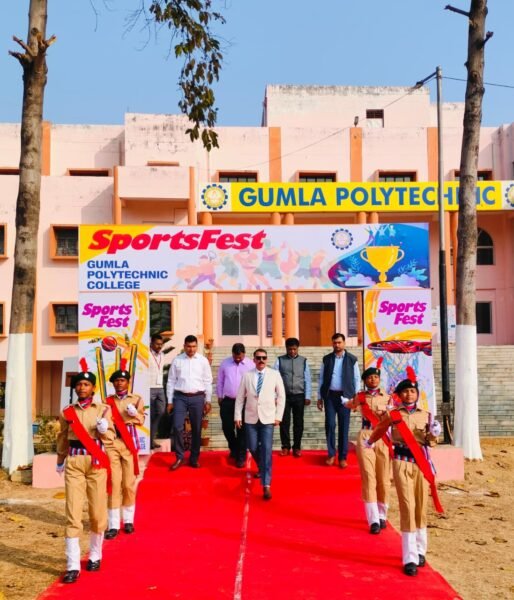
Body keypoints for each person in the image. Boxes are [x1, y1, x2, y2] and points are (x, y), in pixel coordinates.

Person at [367, 370, 441, 577]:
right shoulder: (393, 414)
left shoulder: (427, 415)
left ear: (417, 394)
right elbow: (380, 429)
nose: (409, 394)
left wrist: (434, 434)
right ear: (399, 395)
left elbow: (431, 442)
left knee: (421, 506)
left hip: (421, 464)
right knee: (407, 506)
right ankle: (409, 557)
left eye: (412, 391)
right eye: (405, 392)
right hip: (401, 462)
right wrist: (369, 442)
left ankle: (420, 550)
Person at [56, 360, 115, 584]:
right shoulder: (67, 412)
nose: (82, 388)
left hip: (96, 463)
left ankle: (95, 555)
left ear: (93, 388)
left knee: (97, 513)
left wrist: (104, 430)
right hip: (74, 462)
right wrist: (60, 460)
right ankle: (72, 565)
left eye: (86, 385)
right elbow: (62, 436)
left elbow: (110, 438)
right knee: (72, 513)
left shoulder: (103, 409)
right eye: (79, 384)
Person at [344, 360, 391, 534]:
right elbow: (351, 404)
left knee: (383, 478)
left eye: (375, 377)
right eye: (369, 377)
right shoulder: (361, 396)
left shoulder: (388, 397)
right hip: (366, 436)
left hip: (383, 437)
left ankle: (382, 514)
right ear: (365, 380)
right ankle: (373, 520)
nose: (373, 380)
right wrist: (345, 402)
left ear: (379, 379)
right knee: (369, 477)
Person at [235, 348, 285, 500]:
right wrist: (237, 415)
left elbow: (281, 396)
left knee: (267, 449)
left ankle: (266, 484)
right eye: (258, 358)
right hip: (250, 417)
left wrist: (278, 416)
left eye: (264, 358)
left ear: (267, 359)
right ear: (254, 360)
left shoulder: (274, 374)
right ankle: (263, 466)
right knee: (252, 446)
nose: (261, 360)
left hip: (268, 418)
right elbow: (240, 397)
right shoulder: (247, 375)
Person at [104, 361, 145, 540]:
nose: (119, 383)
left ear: (128, 382)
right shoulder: (107, 402)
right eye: (116, 381)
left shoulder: (136, 399)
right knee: (113, 483)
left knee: (128, 484)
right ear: (113, 383)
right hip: (112, 442)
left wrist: (134, 414)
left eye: (122, 380)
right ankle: (113, 524)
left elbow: (141, 420)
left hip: (129, 443)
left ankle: (128, 520)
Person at [166, 334, 213, 470]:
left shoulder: (203, 361)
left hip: (198, 398)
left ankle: (194, 458)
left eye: (193, 346)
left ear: (197, 346)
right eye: (188, 346)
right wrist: (170, 401)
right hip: (180, 397)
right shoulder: (177, 360)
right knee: (177, 426)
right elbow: (171, 381)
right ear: (184, 346)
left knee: (197, 428)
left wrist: (208, 400)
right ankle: (179, 457)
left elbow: (208, 381)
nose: (191, 349)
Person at [318, 333, 360, 468]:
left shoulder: (352, 359)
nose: (337, 345)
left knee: (344, 426)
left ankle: (342, 457)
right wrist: (319, 397)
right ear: (332, 343)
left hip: (346, 397)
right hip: (330, 396)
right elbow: (321, 379)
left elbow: (357, 379)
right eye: (335, 342)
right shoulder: (326, 359)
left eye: (339, 342)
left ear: (344, 343)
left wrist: (356, 399)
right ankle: (331, 454)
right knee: (330, 424)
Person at [216, 343, 253, 467]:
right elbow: (220, 380)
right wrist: (220, 395)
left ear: (244, 354)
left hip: (244, 402)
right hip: (228, 401)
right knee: (227, 427)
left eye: (240, 357)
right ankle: (234, 448)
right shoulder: (225, 363)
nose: (237, 359)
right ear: (232, 353)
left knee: (242, 430)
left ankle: (241, 456)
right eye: (235, 356)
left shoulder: (250, 365)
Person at [273, 337, 312, 457]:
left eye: (294, 349)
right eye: (290, 349)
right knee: (284, 422)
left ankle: (297, 447)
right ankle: (285, 446)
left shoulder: (304, 361)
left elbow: (307, 379)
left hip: (299, 396)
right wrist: (275, 396)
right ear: (286, 348)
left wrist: (307, 395)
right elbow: (274, 379)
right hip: (284, 396)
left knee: (298, 423)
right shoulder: (279, 360)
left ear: (298, 348)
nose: (292, 351)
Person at [148, 333, 173, 449]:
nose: (159, 346)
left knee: (161, 412)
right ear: (151, 343)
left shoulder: (162, 355)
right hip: (148, 387)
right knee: (149, 414)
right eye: (157, 344)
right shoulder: (146, 354)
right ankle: (150, 441)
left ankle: (151, 438)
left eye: (161, 344)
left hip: (160, 388)